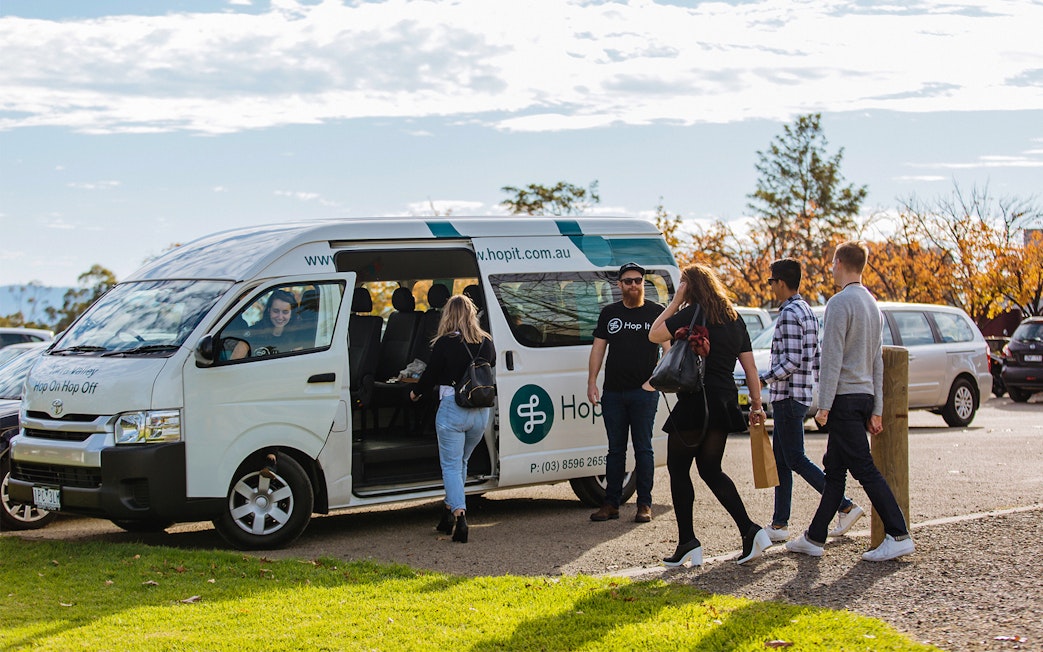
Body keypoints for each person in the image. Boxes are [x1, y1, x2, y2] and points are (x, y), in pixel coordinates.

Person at [786, 241, 915, 562]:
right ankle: (814, 538)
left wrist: (824, 405)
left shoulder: (840, 303)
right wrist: (878, 408)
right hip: (863, 396)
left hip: (843, 399)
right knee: (835, 470)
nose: (831, 268)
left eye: (832, 263)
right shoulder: (872, 304)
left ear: (840, 262)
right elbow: (876, 361)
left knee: (864, 468)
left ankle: (898, 534)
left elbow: (831, 358)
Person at [649, 263, 771, 567]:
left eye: (682, 284)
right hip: (724, 400)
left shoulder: (692, 313)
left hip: (695, 400)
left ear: (690, 286)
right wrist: (756, 405)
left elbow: (654, 335)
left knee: (678, 470)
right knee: (710, 469)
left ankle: (688, 543)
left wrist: (676, 301)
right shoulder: (733, 317)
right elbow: (750, 367)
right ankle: (749, 530)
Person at [759, 258, 863, 543]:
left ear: (781, 282)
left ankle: (845, 505)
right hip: (799, 394)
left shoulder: (790, 313)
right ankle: (780, 524)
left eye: (772, 281)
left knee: (795, 459)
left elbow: (792, 360)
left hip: (788, 396)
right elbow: (814, 357)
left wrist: (763, 379)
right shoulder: (806, 310)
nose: (771, 287)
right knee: (782, 460)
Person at [409, 294, 495, 543]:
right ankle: (447, 515)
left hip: (452, 410)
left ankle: (460, 516)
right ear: (471, 314)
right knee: (461, 463)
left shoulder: (445, 343)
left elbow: (431, 375)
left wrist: (416, 393)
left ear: (448, 314)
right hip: (480, 413)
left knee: (450, 466)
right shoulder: (486, 342)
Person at [587, 262, 665, 524]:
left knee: (643, 449)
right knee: (615, 451)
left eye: (638, 281)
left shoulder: (657, 313)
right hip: (613, 393)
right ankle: (611, 504)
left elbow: (670, 350)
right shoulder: (610, 313)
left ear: (644, 283)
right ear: (619, 285)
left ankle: (644, 504)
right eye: (628, 281)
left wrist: (655, 382)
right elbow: (598, 349)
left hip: (644, 393)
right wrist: (592, 381)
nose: (634, 285)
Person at [230, 289, 303, 360]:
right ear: (269, 310)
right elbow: (233, 363)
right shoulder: (253, 333)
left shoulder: (297, 335)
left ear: (291, 314)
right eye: (276, 311)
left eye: (285, 312)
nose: (280, 317)